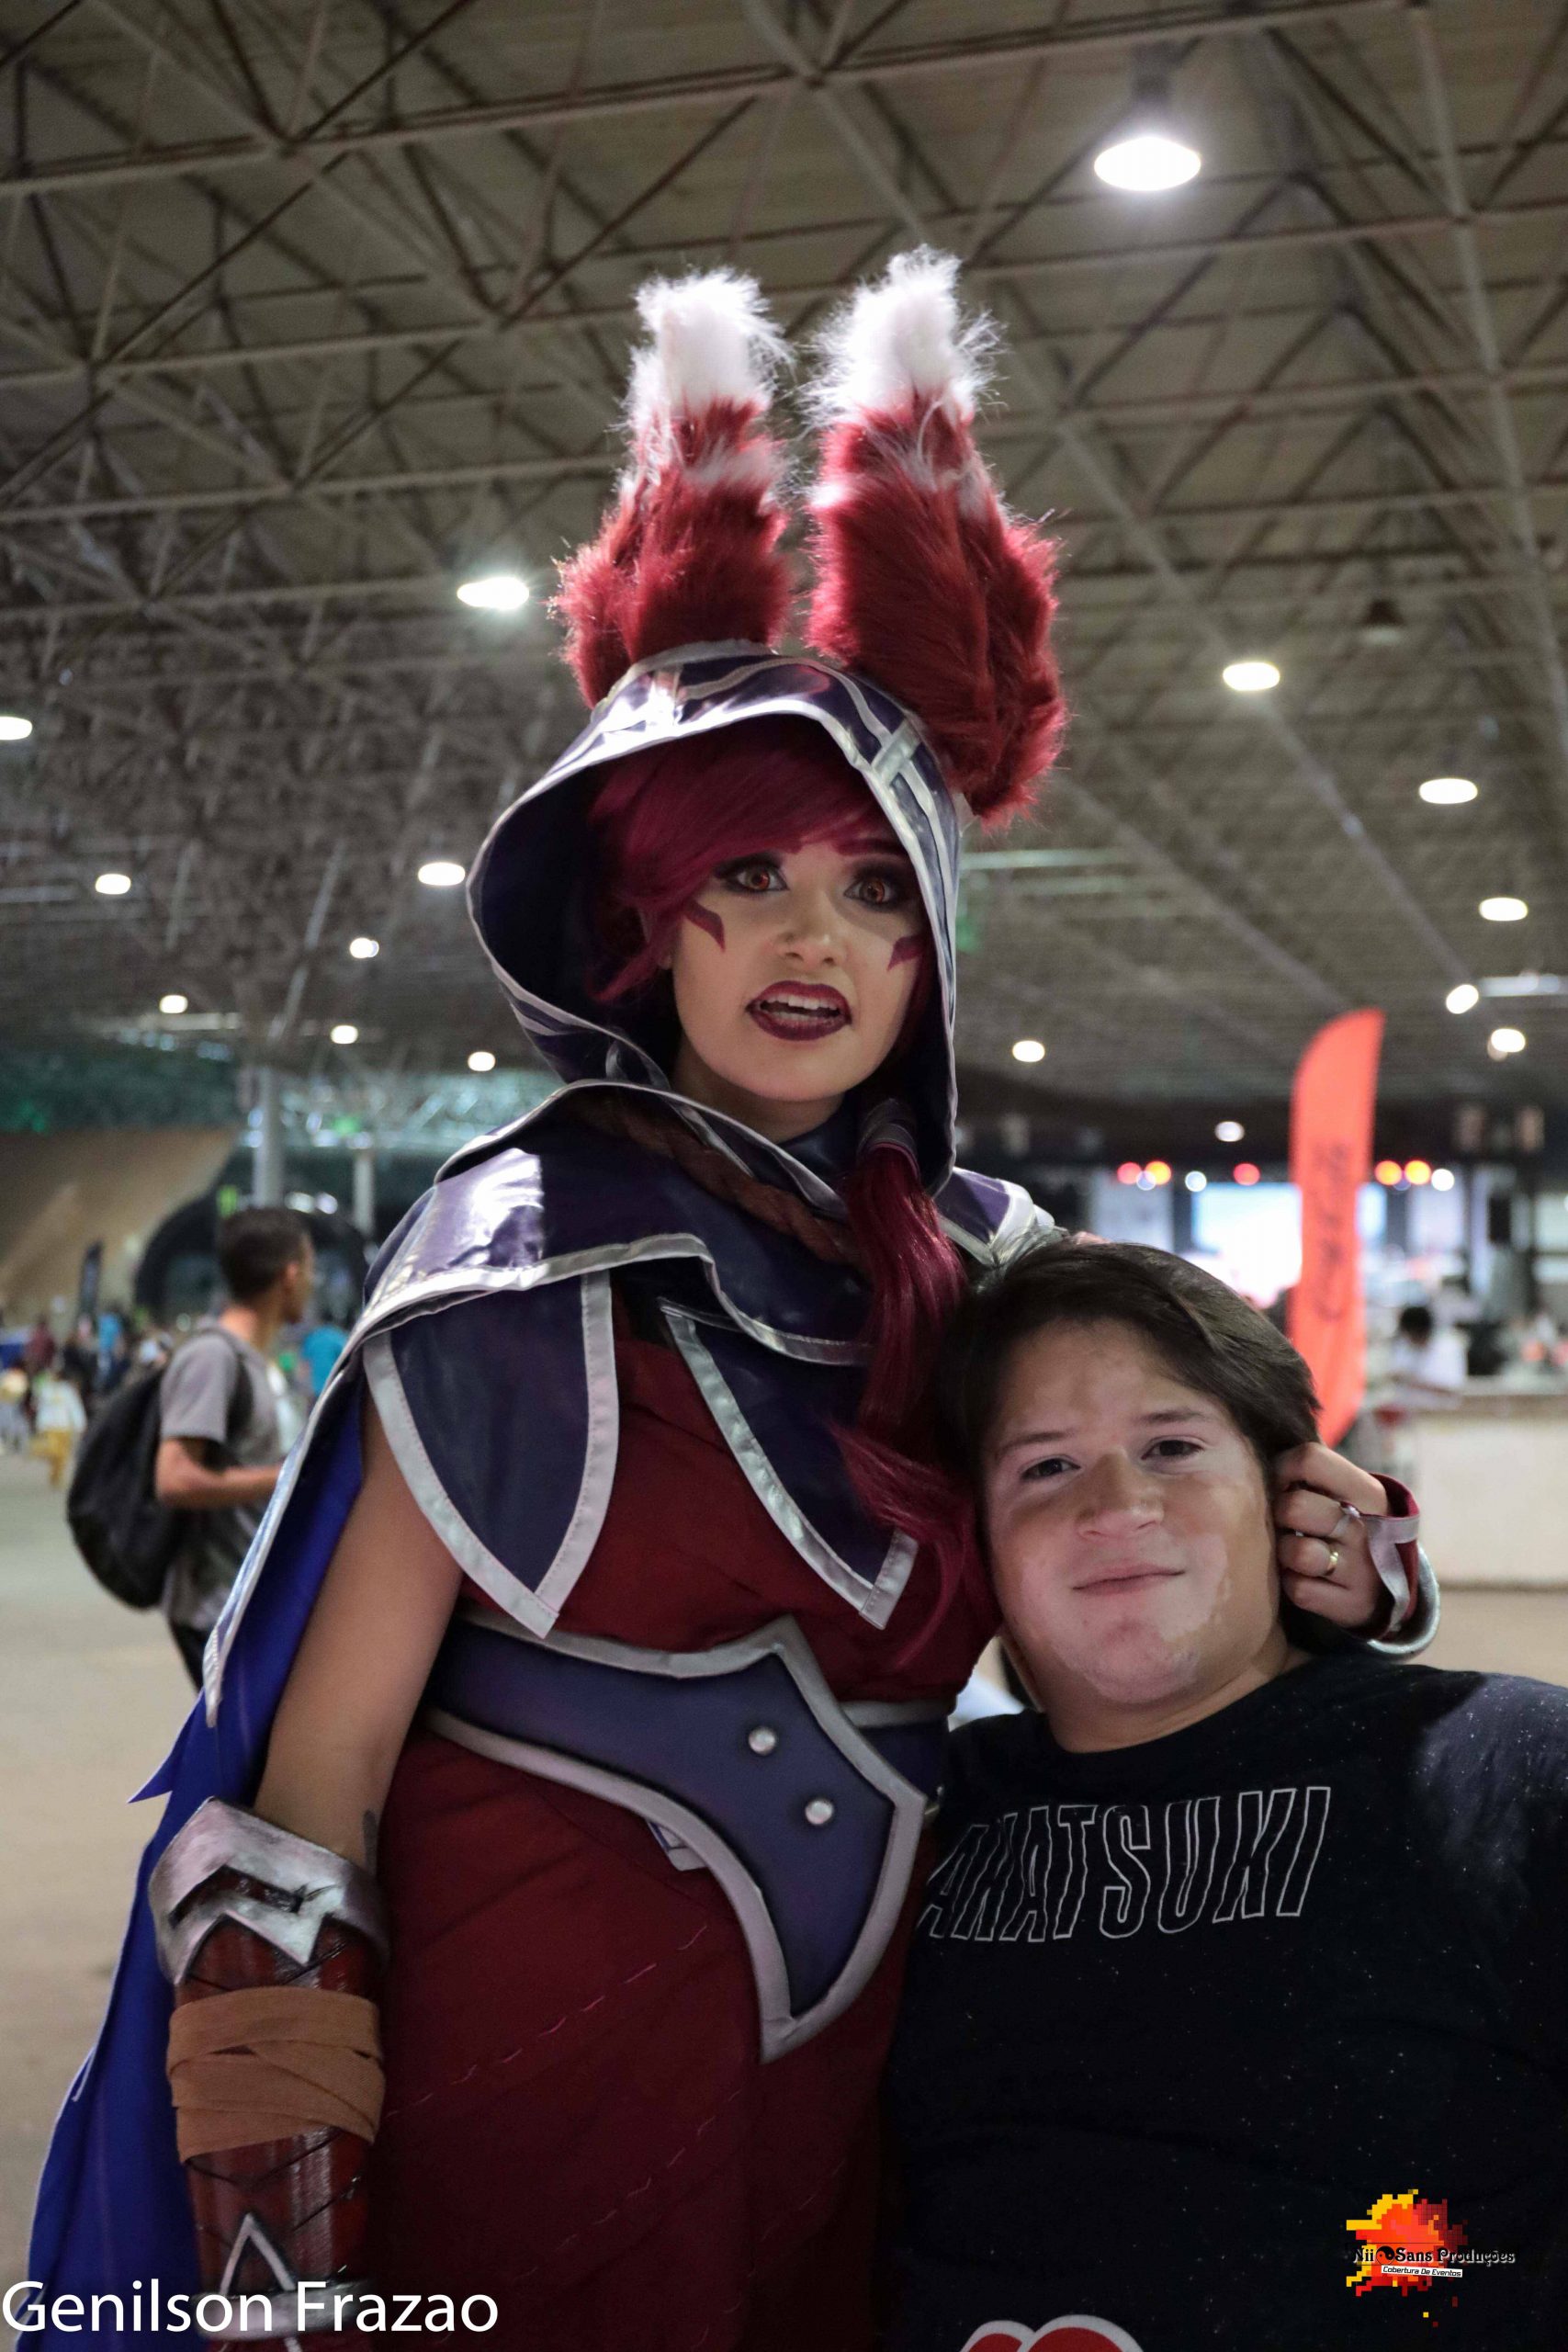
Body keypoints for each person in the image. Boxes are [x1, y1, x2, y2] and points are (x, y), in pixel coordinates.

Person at [27, 259, 1426, 2352]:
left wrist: (1325, 1547)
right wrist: (285, 2292)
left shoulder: (994, 1276)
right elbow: (300, 1812)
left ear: (926, 944)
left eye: (870, 890)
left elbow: (1152, 1617)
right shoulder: (507, 1267)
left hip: (868, 2116)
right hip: (514, 2098)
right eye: (747, 876)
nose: (810, 942)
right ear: (646, 916)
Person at [884, 1242, 1565, 2352]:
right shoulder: (904, 1825)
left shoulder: (1499, 1773)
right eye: (1046, 1467)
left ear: (1298, 1493)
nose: (1117, 1504)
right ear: (978, 1536)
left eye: (1172, 1446)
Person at [153, 1207, 314, 1686]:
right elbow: (174, 1477)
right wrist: (286, 1477)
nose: (313, 1283)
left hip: (249, 1600)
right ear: (290, 1275)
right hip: (216, 1609)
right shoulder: (213, 1357)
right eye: (311, 1269)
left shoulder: (258, 1360)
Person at [30, 1365, 87, 1486]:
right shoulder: (45, 1390)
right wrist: (40, 1424)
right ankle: (35, 1451)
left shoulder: (68, 1390)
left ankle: (56, 1478)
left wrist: (80, 1424)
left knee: (62, 1456)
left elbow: (74, 1408)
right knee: (53, 1450)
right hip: (49, 1426)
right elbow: (39, 1406)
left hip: (64, 1427)